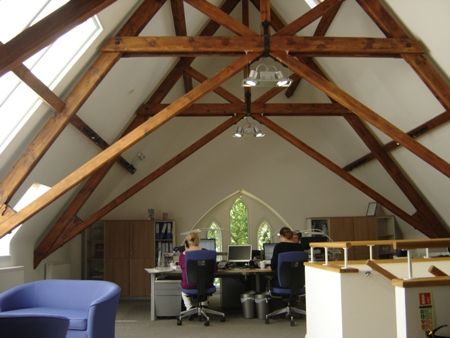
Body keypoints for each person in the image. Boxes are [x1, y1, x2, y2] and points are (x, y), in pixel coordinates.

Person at [179, 231, 208, 311]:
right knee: (203, 283)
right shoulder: (206, 252)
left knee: (183, 291)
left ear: (187, 242)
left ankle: (189, 307)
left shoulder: (183, 254)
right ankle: (204, 304)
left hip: (189, 285)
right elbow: (214, 269)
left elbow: (182, 268)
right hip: (205, 284)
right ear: (198, 241)